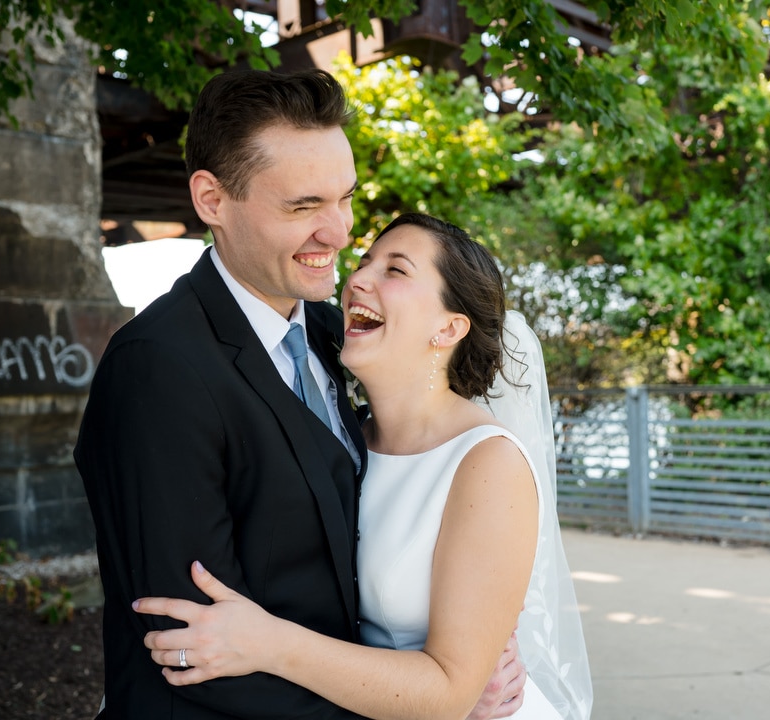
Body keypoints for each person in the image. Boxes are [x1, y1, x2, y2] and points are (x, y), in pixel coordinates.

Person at [75, 70, 524, 719]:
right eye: (303, 206)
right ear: (212, 199)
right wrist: (423, 704)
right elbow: (196, 650)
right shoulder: (160, 368)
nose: (339, 233)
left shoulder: (333, 332)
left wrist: (459, 658)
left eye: (343, 199)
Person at [132, 213, 593, 719]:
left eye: (396, 270)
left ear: (448, 327)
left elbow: (449, 691)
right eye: (366, 261)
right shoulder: (344, 433)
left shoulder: (488, 463)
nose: (357, 279)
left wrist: (268, 642)